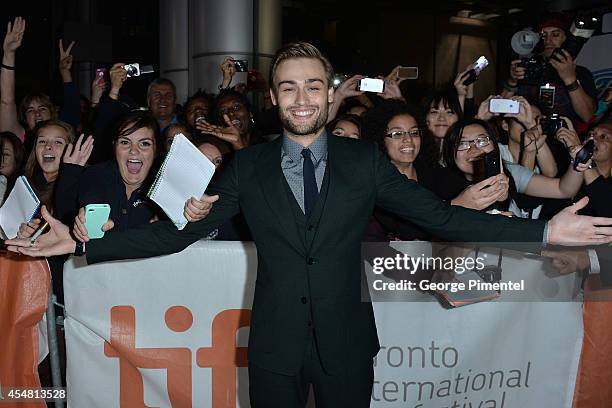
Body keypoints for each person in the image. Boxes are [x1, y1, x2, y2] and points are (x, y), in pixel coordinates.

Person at [6, 42, 612, 408]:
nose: (301, 98)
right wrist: (85, 242)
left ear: (329, 97)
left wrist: (544, 233)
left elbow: (441, 215)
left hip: (349, 342)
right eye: (289, 87)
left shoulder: (363, 161)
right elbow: (174, 235)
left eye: (313, 87)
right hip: (274, 347)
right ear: (274, 97)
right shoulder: (249, 164)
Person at [502, 13, 597, 128]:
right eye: (543, 35)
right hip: (527, 140)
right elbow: (501, 110)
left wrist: (569, 79)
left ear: (566, 38)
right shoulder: (528, 69)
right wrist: (512, 82)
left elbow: (587, 115)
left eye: (555, 35)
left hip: (563, 141)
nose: (548, 40)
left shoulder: (580, 73)